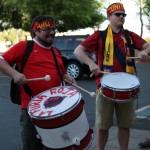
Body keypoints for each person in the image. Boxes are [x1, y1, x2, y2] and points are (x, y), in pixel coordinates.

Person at [74, 2, 150, 150]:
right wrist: (90, 63)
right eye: (118, 14)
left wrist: (145, 52)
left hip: (127, 88)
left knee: (124, 125)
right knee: (102, 126)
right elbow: (78, 51)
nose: (122, 17)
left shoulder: (130, 35)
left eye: (124, 15)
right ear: (109, 16)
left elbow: (148, 46)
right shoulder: (99, 36)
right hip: (104, 88)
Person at [0, 15, 75, 150]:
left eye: (53, 29)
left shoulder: (56, 52)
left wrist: (67, 77)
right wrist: (15, 73)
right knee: (32, 147)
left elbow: (62, 73)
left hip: (55, 109)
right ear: (36, 31)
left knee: (57, 146)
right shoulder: (24, 46)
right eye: (47, 29)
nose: (52, 32)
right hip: (31, 110)